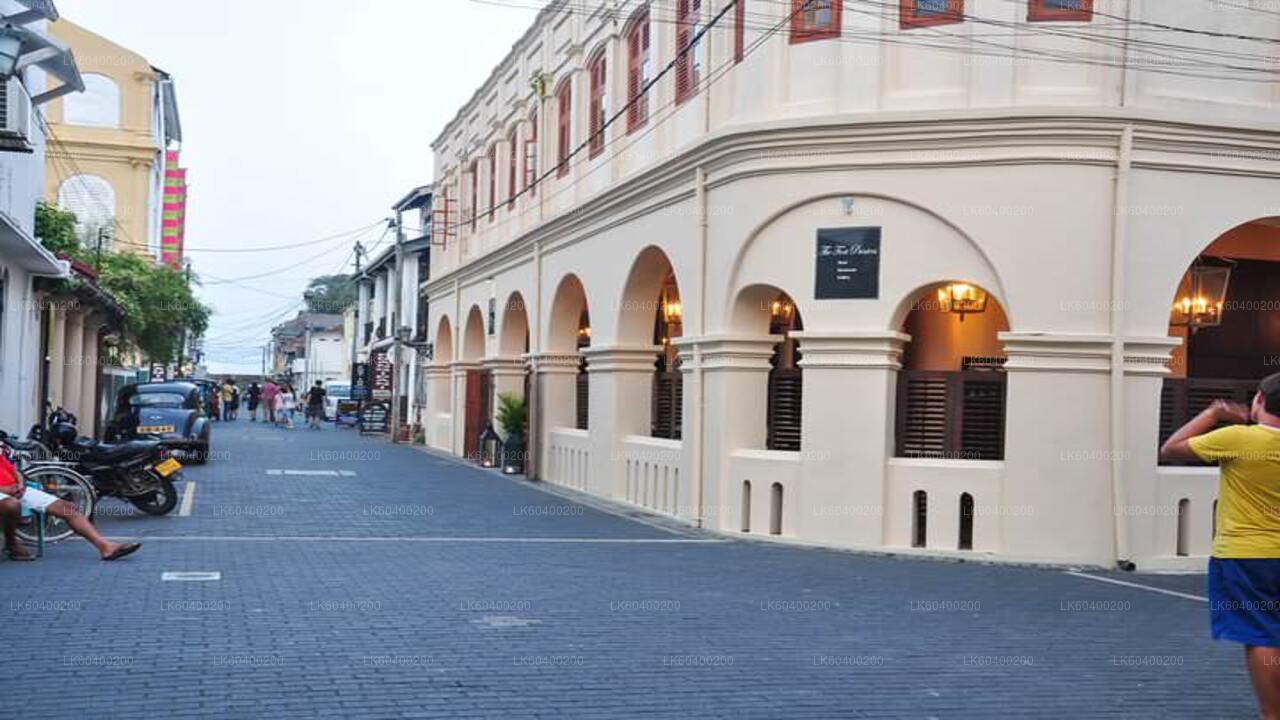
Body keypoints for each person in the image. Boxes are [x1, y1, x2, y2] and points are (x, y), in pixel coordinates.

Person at [1160, 371, 1280, 719]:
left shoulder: (1238, 438)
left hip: (1246, 555)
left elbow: (1172, 448)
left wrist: (1213, 413)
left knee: (1262, 635)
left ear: (1259, 399)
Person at [0, 453, 140, 562]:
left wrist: (20, 484)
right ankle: (12, 544)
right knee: (12, 505)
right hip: (4, 492)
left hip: (17, 490)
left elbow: (15, 471)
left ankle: (105, 547)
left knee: (68, 508)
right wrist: (5, 489)